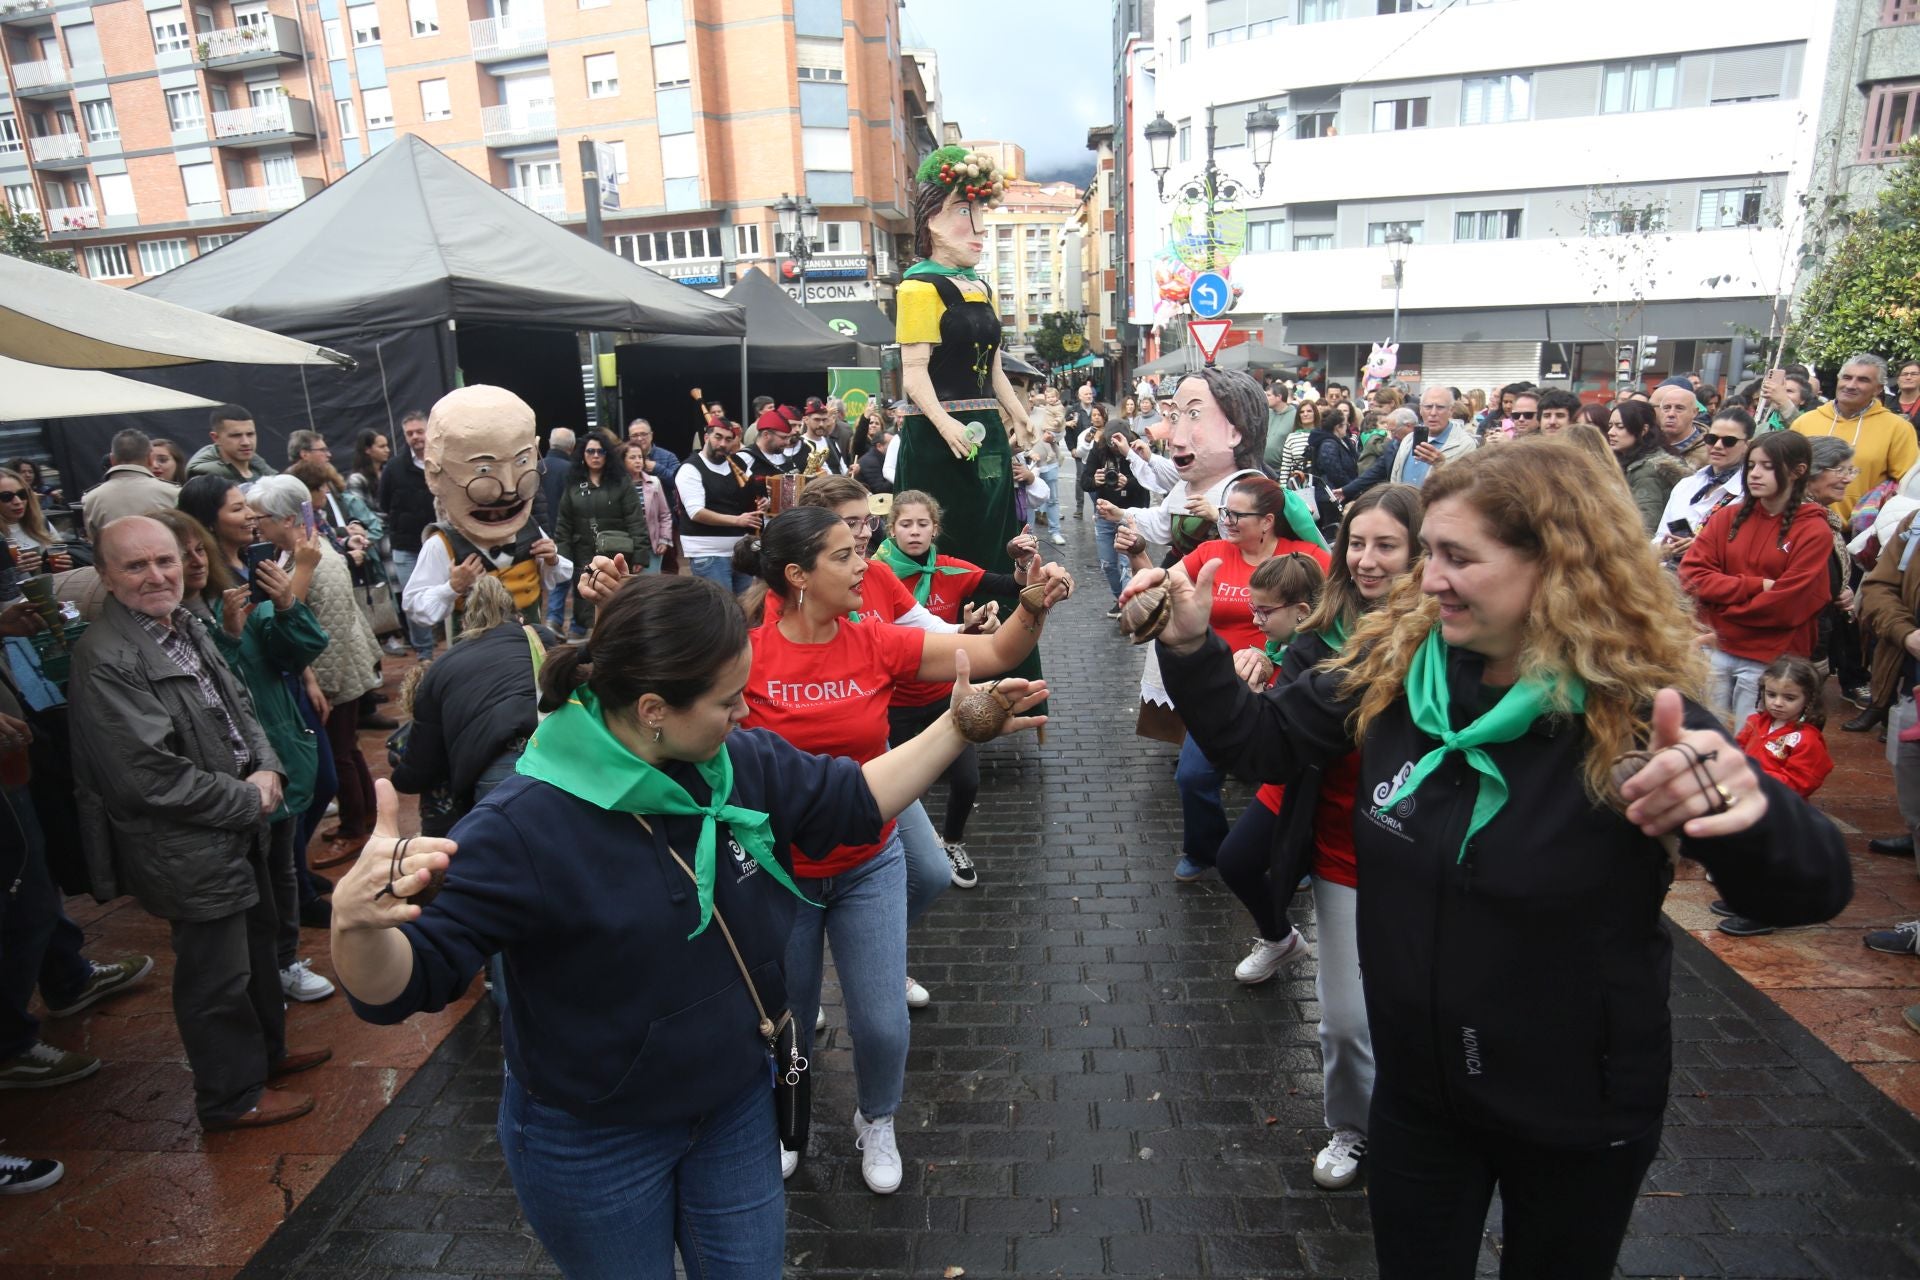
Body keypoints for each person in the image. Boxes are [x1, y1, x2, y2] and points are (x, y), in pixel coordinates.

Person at [1139, 438, 1850, 1280]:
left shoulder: (1634, 716)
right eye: (1429, 552)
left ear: (1555, 565)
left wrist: (1747, 811)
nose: (1428, 579)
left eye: (1457, 557)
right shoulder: (1393, 672)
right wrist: (1191, 648)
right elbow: (1262, 744)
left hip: (1577, 1108)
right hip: (1420, 1094)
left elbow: (1812, 889)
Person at [334, 572, 1044, 1276]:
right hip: (594, 1138)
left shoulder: (733, 762)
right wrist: (358, 927)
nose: (743, 714)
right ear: (653, 708)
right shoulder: (525, 826)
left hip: (733, 1106)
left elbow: (851, 798)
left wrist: (958, 727)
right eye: (728, 700)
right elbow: (404, 983)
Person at [733, 506, 1068, 1188]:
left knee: (882, 1025)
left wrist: (1034, 602)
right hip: (779, 871)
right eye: (842, 555)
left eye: (859, 549)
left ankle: (876, 1120)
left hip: (867, 860)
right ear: (797, 576)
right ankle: (785, 1112)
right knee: (784, 1019)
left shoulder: (874, 639)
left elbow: (998, 653)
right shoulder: (743, 650)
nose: (864, 563)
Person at [70, 516, 335, 1131]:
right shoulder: (105, 655)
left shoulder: (185, 623)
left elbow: (240, 708)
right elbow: (146, 776)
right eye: (135, 566)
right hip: (188, 842)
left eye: (163, 560)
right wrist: (251, 798)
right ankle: (231, 1096)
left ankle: (266, 1057)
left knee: (259, 948)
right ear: (106, 576)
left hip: (244, 820)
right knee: (216, 976)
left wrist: (266, 771)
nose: (156, 575)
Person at [1216, 483, 1422, 1191]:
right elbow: (1275, 732)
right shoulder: (1323, 633)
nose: (1367, 561)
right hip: (1343, 851)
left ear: (1421, 554)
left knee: (1425, 1012)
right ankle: (1353, 1127)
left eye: (1386, 546)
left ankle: (1424, 1123)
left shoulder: (1453, 633)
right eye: (1356, 543)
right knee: (1342, 1023)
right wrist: (1229, 676)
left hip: (1428, 861)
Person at [151, 505, 331, 1002]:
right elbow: (213, 693)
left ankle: (285, 961)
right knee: (260, 882)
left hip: (276, 754)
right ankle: (267, 972)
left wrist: (287, 604)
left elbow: (297, 652)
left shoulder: (228, 596)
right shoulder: (168, 624)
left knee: (284, 870)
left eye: (193, 549)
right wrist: (229, 636)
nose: (190, 561)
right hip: (233, 777)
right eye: (173, 553)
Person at [1164, 477, 1332, 883]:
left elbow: (1336, 616)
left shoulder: (1306, 556)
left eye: (1236, 515)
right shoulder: (1213, 552)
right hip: (1225, 688)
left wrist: (1277, 652)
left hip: (1289, 686)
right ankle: (1205, 849)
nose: (1227, 521)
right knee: (1192, 775)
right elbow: (1167, 584)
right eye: (1225, 512)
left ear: (1268, 520)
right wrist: (1141, 571)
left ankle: (1296, 852)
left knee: (1294, 777)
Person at [873, 490, 1037, 890]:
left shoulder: (948, 570)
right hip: (889, 704)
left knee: (967, 781)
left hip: (941, 700)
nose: (914, 532)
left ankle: (952, 842)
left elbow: (1008, 585)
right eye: (906, 524)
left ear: (935, 529)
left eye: (922, 524)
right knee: (893, 788)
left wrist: (1022, 564)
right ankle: (895, 851)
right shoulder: (872, 574)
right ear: (892, 529)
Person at [893, 146, 1034, 588]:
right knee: (948, 530)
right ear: (932, 219)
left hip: (985, 429)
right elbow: (913, 374)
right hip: (939, 438)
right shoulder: (917, 289)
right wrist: (945, 423)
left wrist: (1017, 409)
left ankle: (1003, 617)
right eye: (962, 211)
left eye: (979, 212)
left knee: (995, 526)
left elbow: (993, 366)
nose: (978, 228)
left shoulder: (981, 286)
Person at [251, 475, 386, 867]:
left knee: (339, 756)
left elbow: (310, 624)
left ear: (288, 519)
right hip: (349, 664)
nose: (256, 525)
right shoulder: (314, 549)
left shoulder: (311, 562)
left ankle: (354, 828)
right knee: (349, 749)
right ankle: (363, 815)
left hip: (335, 672)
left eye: (262, 518)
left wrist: (319, 684)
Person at [1212, 548, 1326, 970]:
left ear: (1301, 611)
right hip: (1288, 780)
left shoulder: (1322, 654)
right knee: (1235, 860)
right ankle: (1280, 937)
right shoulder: (1286, 646)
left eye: (1263, 612)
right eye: (1253, 610)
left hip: (1326, 790)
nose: (1255, 622)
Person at [1678, 431, 1832, 728]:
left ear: (1798, 471)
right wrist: (1755, 585)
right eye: (1751, 465)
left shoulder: (1814, 530)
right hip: (1717, 649)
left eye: (1767, 466)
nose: (1755, 474)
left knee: (1753, 746)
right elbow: (1691, 576)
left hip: (1770, 658)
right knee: (1708, 737)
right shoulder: (1726, 517)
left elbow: (1788, 604)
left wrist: (1719, 610)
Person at [389, 576, 553, 837]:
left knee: (505, 857)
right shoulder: (540, 637)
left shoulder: (442, 668)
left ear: (464, 624)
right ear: (516, 615)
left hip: (496, 769)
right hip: (552, 755)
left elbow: (425, 756)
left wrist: (401, 777)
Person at [1793, 353, 1918, 525]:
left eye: (1863, 380)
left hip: (1860, 536)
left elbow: (1908, 488)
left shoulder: (1898, 428)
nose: (1851, 385)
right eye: (1846, 377)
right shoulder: (1804, 421)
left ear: (1878, 389)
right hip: (1800, 523)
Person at [554, 431, 648, 637]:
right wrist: (563, 556)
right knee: (584, 596)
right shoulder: (573, 485)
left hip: (617, 553)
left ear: (607, 454)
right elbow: (564, 525)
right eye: (590, 451)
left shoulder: (621, 483)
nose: (595, 455)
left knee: (616, 598)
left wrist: (641, 553)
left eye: (600, 451)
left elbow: (636, 520)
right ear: (583, 454)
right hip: (582, 553)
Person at [677, 419, 766, 594]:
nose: (722, 444)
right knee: (723, 612)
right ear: (706, 437)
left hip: (741, 551)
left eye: (728, 439)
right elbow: (696, 512)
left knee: (744, 611)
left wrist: (763, 501)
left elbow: (753, 492)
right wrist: (737, 521)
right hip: (709, 553)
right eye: (718, 437)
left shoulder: (737, 464)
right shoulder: (690, 468)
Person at [1654, 406, 1751, 564]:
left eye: (1729, 441)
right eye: (1712, 439)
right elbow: (1660, 537)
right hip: (1671, 576)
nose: (1718, 446)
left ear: (1747, 445)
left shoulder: (1750, 491)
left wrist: (1701, 547)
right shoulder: (1686, 485)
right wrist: (1667, 549)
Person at [380, 410, 439, 663]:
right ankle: (424, 652)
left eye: (419, 431)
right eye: (410, 433)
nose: (416, 437)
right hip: (407, 546)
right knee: (413, 599)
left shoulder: (443, 461)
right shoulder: (393, 468)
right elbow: (383, 502)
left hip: (440, 544)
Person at [1083, 409, 1146, 615]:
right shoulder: (1098, 450)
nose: (1117, 449)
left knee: (1127, 563)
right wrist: (1095, 480)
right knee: (1108, 564)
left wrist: (1129, 481)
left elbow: (1150, 481)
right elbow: (1084, 482)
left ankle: (1126, 605)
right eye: (1113, 446)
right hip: (1105, 514)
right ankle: (1121, 598)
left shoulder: (1138, 450)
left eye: (1120, 445)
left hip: (1131, 512)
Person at [1608, 399, 1687, 535]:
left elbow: (1647, 525)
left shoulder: (1646, 470)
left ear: (1643, 430)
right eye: (1610, 426)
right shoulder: (1631, 460)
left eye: (1619, 427)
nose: (1611, 432)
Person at [80, 429, 177, 539]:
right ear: (150, 458)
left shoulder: (91, 499)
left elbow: (95, 544)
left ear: (112, 460)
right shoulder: (173, 493)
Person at [619, 442, 676, 576]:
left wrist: (664, 539)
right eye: (632, 457)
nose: (638, 461)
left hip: (652, 544)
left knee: (650, 587)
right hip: (626, 544)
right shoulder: (617, 485)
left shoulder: (654, 482)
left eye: (640, 457)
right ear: (623, 461)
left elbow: (665, 514)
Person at [0, 473, 69, 578]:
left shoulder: (39, 522)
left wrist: (64, 564)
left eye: (22, 494)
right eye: (7, 497)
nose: (18, 502)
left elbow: (59, 553)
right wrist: (12, 570)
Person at [185, 405, 278, 482]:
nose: (246, 442)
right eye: (236, 435)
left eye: (250, 434)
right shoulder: (205, 477)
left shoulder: (259, 466)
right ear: (216, 438)